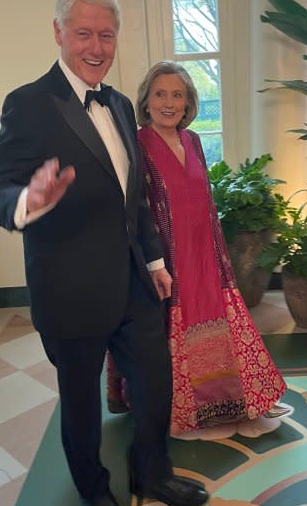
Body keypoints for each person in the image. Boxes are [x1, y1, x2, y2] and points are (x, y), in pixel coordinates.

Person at [0, 0, 208, 506]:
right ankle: (93, 489)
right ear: (58, 32)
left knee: (155, 383)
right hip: (70, 288)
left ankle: (152, 472)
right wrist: (26, 202)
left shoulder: (122, 103)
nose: (96, 45)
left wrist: (153, 262)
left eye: (106, 34)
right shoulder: (28, 103)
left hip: (132, 281)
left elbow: (132, 200)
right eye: (83, 32)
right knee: (80, 404)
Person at [107, 61, 289, 435]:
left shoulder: (193, 142)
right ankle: (179, 407)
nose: (169, 103)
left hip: (205, 255)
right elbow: (135, 209)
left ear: (189, 102)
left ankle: (225, 397)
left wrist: (221, 260)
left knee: (221, 323)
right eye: (161, 94)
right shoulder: (137, 145)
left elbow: (204, 202)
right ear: (146, 99)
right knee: (170, 337)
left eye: (178, 95)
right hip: (166, 261)